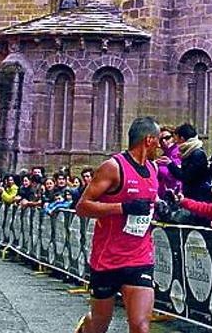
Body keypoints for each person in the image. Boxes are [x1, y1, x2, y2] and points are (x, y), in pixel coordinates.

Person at [74, 117, 160, 333]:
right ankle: (85, 326)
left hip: (140, 256)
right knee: (99, 324)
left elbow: (148, 203)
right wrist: (123, 208)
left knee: (141, 326)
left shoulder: (153, 170)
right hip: (108, 258)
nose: (160, 146)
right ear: (148, 140)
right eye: (158, 140)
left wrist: (161, 206)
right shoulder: (113, 167)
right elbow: (82, 207)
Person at [158, 123, 212, 202]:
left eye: (167, 138)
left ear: (182, 138)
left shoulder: (196, 153)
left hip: (197, 198)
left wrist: (170, 164)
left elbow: (186, 176)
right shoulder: (188, 152)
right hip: (191, 195)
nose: (177, 142)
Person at [156, 126, 182, 198]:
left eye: (167, 138)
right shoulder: (162, 158)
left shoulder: (180, 153)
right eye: (161, 139)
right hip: (164, 195)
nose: (164, 141)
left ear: (174, 137)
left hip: (178, 194)